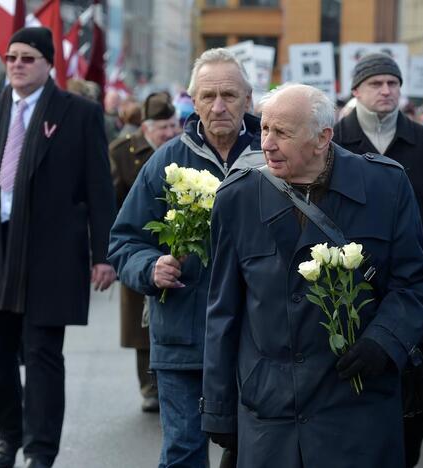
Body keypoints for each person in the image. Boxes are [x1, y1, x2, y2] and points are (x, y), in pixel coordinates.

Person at [200, 83, 423, 467]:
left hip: (356, 406)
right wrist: (218, 407)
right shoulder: (237, 197)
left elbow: (414, 283)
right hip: (271, 412)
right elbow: (222, 311)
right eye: (264, 129)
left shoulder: (385, 186)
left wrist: (384, 341)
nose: (268, 143)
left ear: (323, 138)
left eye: (283, 133)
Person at [0, 27, 117, 468]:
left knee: (43, 353)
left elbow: (100, 189)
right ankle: (9, 436)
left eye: (27, 58)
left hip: (48, 254)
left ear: (47, 64)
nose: (17, 64)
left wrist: (103, 255)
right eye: (11, 57)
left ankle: (41, 450)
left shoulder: (78, 113)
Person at [108, 48, 263, 468]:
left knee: (256, 450)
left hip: (260, 338)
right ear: (192, 102)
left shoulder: (271, 158)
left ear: (248, 99)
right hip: (184, 335)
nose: (219, 106)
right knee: (183, 450)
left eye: (229, 95)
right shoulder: (166, 162)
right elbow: (125, 241)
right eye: (208, 95)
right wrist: (150, 267)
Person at [332, 52, 423, 465]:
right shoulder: (332, 140)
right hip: (349, 296)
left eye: (393, 83)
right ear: (355, 90)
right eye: (376, 83)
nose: (386, 91)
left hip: (414, 294)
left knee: (411, 413)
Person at [108, 93, 180, 413]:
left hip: (177, 244)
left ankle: (172, 378)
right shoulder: (122, 152)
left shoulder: (183, 150)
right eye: (161, 127)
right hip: (141, 245)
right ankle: (149, 385)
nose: (167, 132)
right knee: (141, 322)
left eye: (171, 125)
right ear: (146, 126)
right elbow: (113, 202)